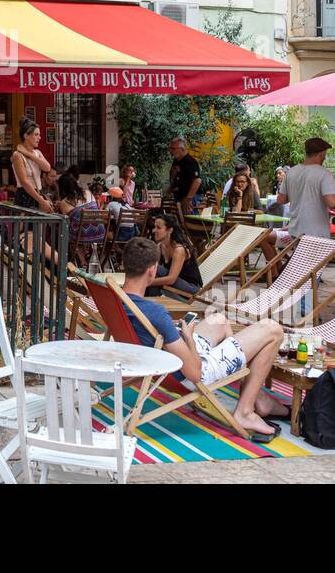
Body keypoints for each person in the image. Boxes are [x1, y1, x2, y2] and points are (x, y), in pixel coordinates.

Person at [118, 236, 290, 441]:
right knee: (273, 329)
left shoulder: (116, 298)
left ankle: (255, 396)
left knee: (218, 319)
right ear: (152, 270)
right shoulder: (155, 312)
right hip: (186, 372)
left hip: (159, 357)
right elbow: (195, 374)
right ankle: (244, 411)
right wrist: (189, 339)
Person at [276, 137, 335, 240]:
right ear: (321, 153)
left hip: (295, 231)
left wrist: (298, 195)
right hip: (315, 233)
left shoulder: (291, 172)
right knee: (317, 256)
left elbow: (281, 199)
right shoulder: (324, 173)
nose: (325, 157)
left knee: (301, 257)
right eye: (325, 154)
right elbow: (333, 203)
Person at [148, 212, 202, 296]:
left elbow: (171, 279)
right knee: (152, 269)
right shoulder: (160, 246)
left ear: (170, 230)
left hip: (190, 288)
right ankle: (149, 303)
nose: (154, 230)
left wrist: (147, 282)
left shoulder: (179, 250)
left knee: (157, 269)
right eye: (154, 227)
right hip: (175, 284)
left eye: (158, 228)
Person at [10, 118, 53, 214]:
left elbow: (47, 167)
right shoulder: (18, 155)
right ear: (26, 136)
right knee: (27, 229)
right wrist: (41, 201)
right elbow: (24, 182)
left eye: (39, 135)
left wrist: (29, 154)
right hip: (25, 195)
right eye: (36, 134)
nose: (39, 138)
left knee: (39, 228)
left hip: (38, 193)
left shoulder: (37, 153)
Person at [165, 136, 202, 212]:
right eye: (170, 148)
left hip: (189, 197)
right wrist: (170, 190)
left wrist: (188, 199)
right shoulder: (176, 160)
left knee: (189, 220)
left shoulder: (190, 162)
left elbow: (197, 181)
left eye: (173, 148)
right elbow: (175, 178)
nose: (171, 151)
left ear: (182, 149)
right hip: (179, 196)